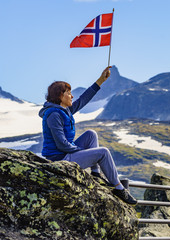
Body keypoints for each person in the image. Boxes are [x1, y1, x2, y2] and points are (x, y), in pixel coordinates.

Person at [38, 66, 137, 205]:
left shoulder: (64, 110)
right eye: (68, 93)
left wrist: (100, 80)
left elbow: (83, 99)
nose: (72, 96)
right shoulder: (54, 114)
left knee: (91, 134)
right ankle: (119, 188)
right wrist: (85, 152)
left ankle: (96, 174)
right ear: (60, 96)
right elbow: (61, 144)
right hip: (60, 158)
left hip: (65, 153)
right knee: (103, 152)